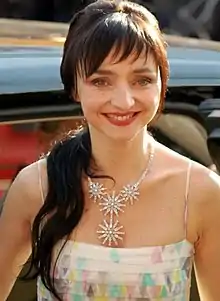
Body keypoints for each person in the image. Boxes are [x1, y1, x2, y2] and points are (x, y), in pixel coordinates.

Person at [0, 0, 220, 300]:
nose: (124, 101)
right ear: (75, 87)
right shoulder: (36, 187)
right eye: (101, 81)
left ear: (161, 84)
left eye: (141, 80)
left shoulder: (200, 192)